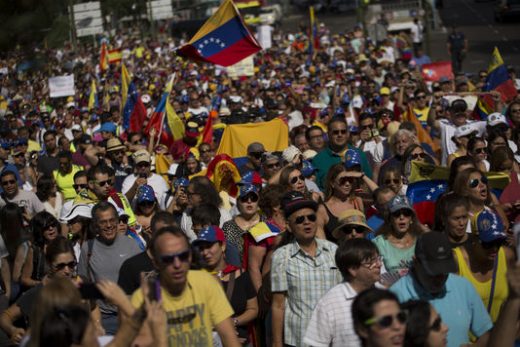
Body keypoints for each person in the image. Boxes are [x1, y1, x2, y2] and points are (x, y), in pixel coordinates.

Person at [130, 226, 241, 346]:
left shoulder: (206, 283)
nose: (177, 264)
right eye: (168, 259)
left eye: (183, 256)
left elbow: (229, 337)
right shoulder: (143, 299)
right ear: (156, 263)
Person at [390, 232, 493, 347]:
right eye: (433, 272)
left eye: (445, 271)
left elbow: (486, 334)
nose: (440, 278)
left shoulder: (463, 286)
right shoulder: (394, 298)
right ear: (416, 262)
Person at [271, 191, 341, 347]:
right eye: (300, 219)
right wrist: (276, 343)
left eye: (311, 217)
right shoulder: (281, 257)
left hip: (333, 338)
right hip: (299, 339)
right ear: (289, 226)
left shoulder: (333, 251)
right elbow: (278, 305)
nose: (307, 222)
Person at [77, 202, 141, 335]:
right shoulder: (87, 248)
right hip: (104, 319)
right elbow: (84, 283)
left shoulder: (131, 244)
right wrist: (95, 322)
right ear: (95, 225)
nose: (109, 225)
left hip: (129, 314)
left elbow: (142, 282)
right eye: (103, 222)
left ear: (118, 221)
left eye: (112, 220)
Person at [304, 238, 382, 347]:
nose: (379, 264)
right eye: (371, 262)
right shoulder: (329, 304)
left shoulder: (384, 296)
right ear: (353, 269)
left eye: (378, 259)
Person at [194, 226, 258, 345]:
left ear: (222, 246)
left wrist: (232, 322)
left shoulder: (241, 275)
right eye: (201, 248)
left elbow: (253, 309)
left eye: (209, 246)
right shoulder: (196, 279)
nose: (205, 252)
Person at [452, 209, 514, 322]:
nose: (495, 249)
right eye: (488, 243)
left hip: (497, 337)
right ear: (474, 239)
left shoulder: (506, 255)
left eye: (499, 242)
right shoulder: (456, 260)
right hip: (467, 338)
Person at [118, 211, 176, 295]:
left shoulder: (180, 261)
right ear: (150, 233)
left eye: (173, 233)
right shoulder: (131, 266)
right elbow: (124, 302)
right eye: (162, 233)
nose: (168, 238)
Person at [373, 196, 422, 282]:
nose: (402, 217)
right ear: (390, 219)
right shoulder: (379, 243)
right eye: (396, 214)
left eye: (406, 213)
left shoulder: (421, 241)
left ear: (411, 219)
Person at [313, 117, 372, 189]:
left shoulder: (360, 154)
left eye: (343, 131)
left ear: (348, 133)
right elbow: (316, 189)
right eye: (335, 132)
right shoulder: (317, 160)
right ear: (328, 134)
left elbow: (368, 182)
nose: (340, 135)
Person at [20, 212, 60, 289]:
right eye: (46, 227)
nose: (51, 228)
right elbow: (24, 279)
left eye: (53, 225)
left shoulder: (65, 243)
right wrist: (41, 284)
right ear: (39, 231)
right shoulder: (35, 250)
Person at [222, 184, 262, 260]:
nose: (249, 201)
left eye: (253, 198)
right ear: (237, 203)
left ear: (258, 202)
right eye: (244, 198)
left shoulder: (266, 222)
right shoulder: (228, 227)